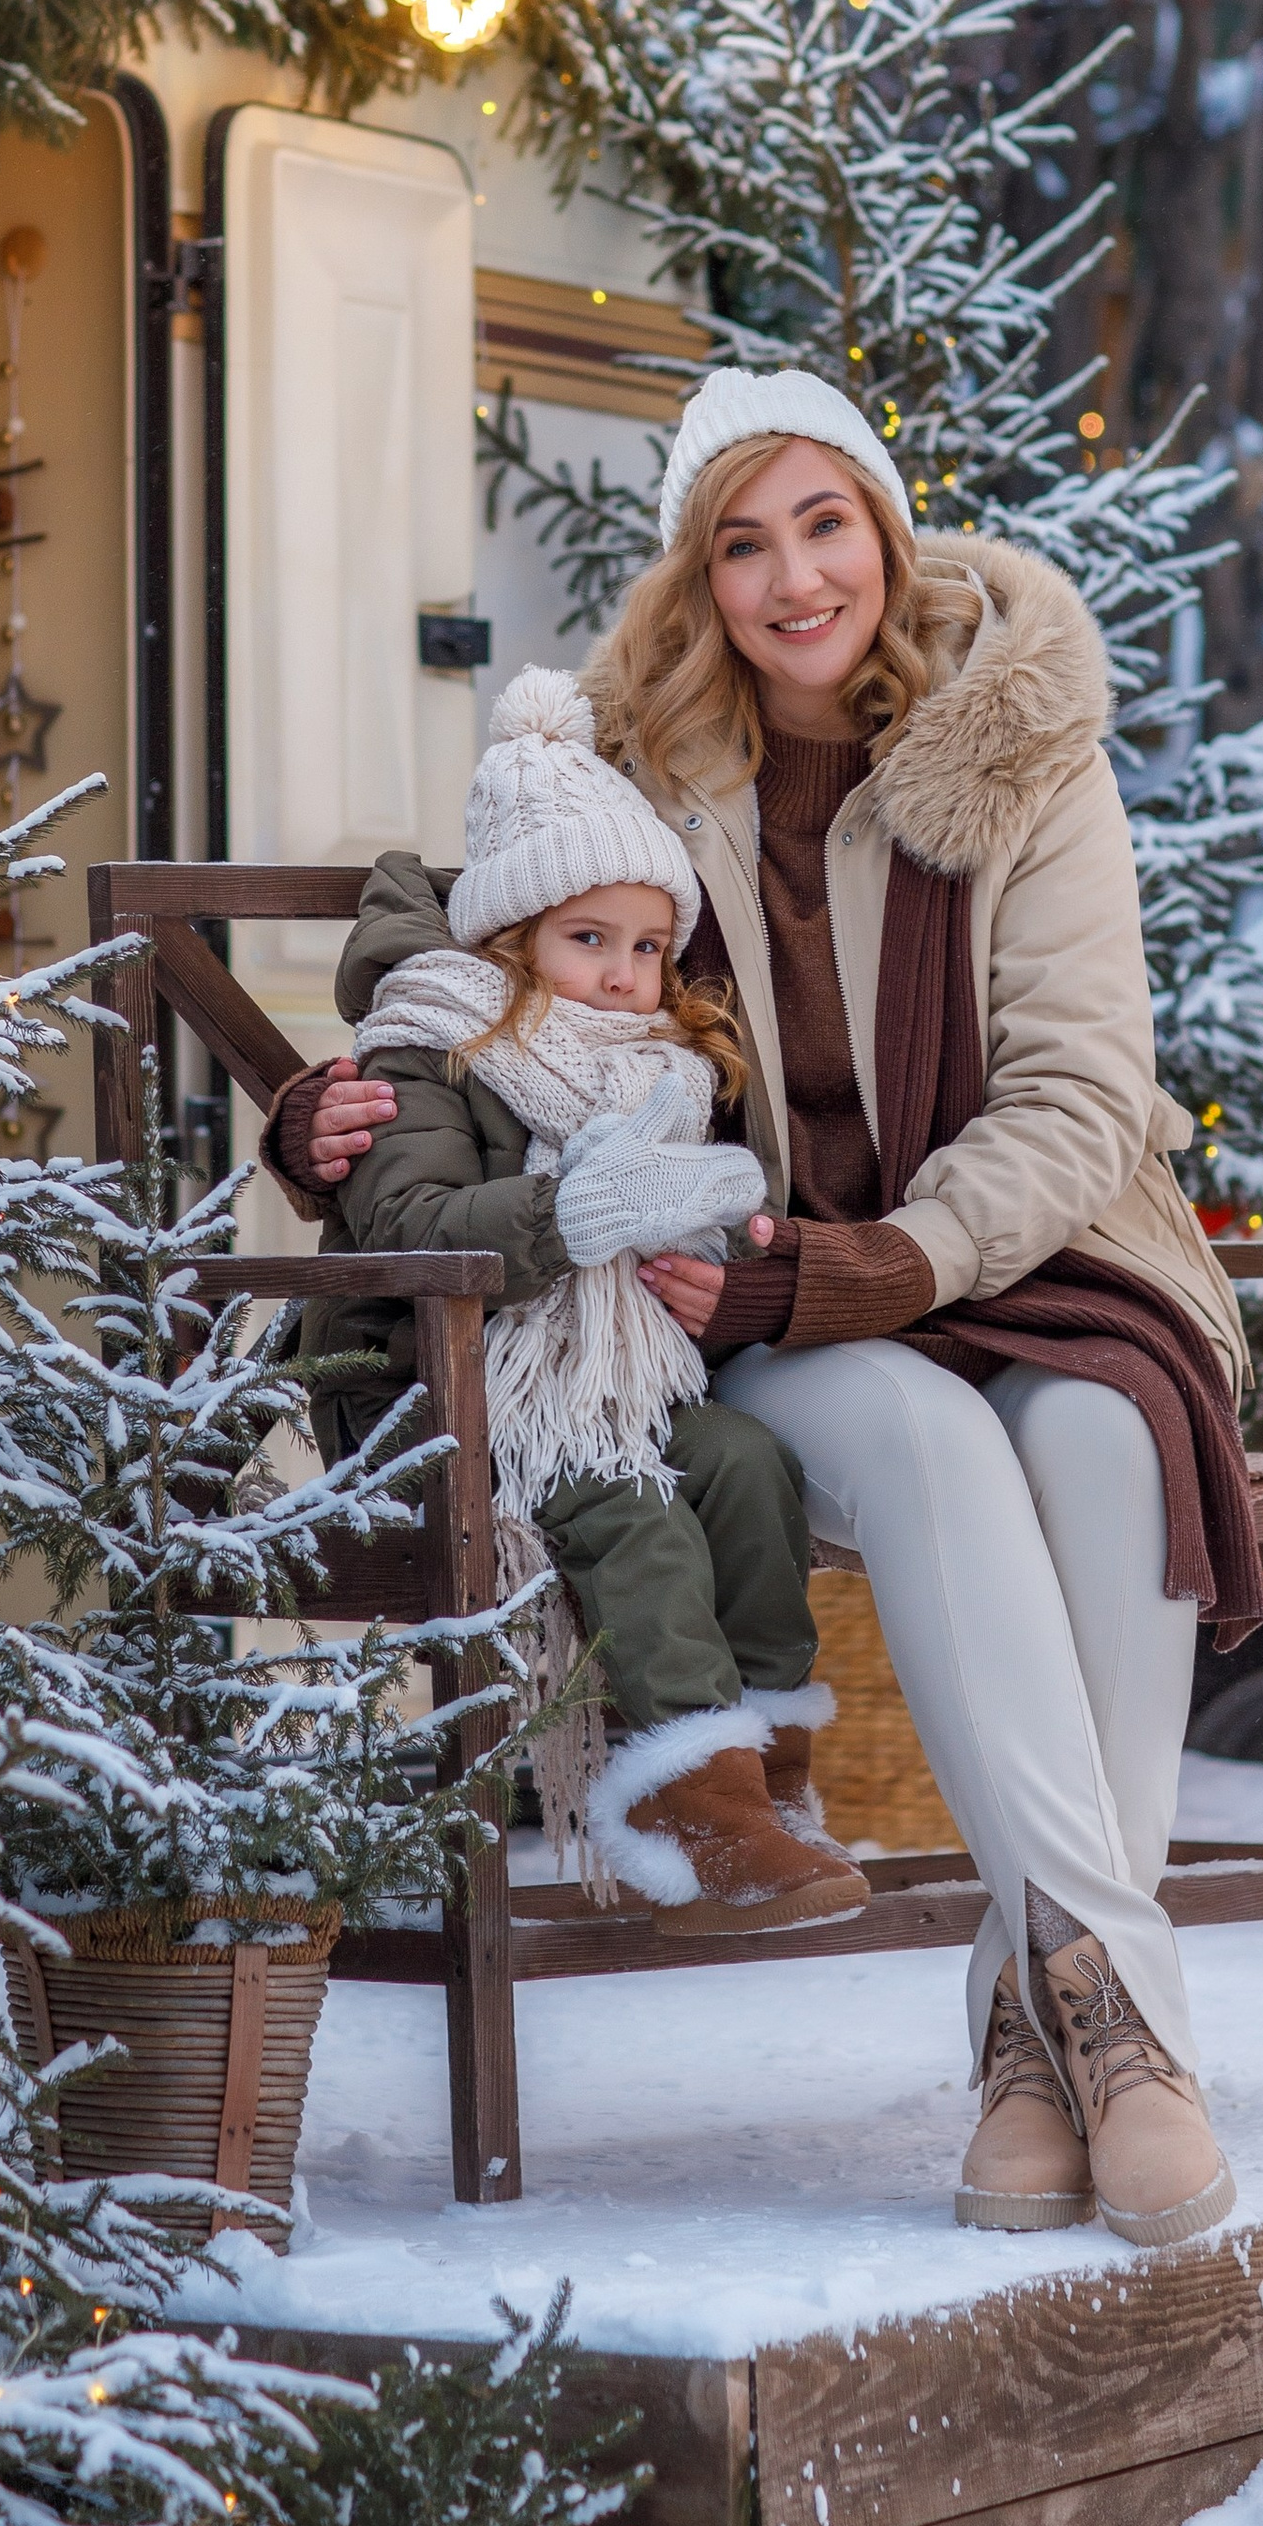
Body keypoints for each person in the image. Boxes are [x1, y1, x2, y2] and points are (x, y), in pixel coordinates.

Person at [273, 368, 1263, 2252]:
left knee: (1111, 1437)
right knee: (928, 1438)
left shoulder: (1027, 749)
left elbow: (1077, 1095)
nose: (794, 577)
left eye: (824, 525)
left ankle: (1043, 2042)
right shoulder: (653, 751)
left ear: (886, 533)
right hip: (765, 1307)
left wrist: (879, 1261)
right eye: (743, 542)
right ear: (702, 576)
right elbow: (435, 898)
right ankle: (1125, 2035)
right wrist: (342, 1094)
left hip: (1041, 1261)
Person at [303, 659, 873, 1936]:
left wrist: (738, 1224)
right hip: (442, 1397)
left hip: (617, 1380)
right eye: (588, 941)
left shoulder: (656, 1063)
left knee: (741, 1464)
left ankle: (767, 1777)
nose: (626, 975)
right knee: (632, 1502)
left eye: (649, 948)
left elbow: (703, 1209)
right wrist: (568, 1216)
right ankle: (688, 1803)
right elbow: (401, 1225)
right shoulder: (435, 1042)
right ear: (511, 937)